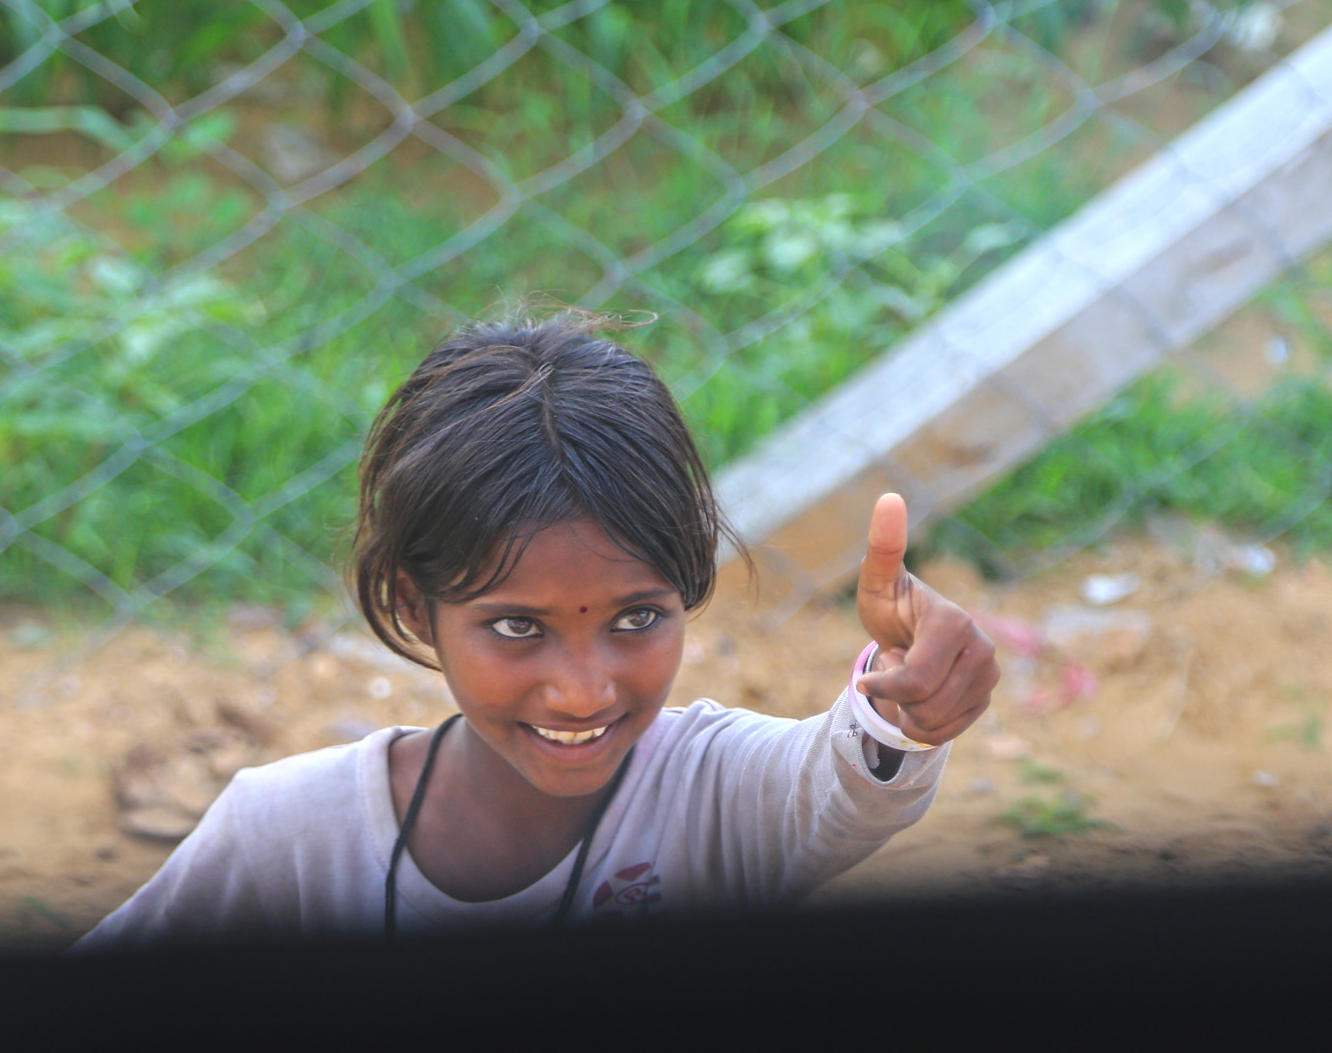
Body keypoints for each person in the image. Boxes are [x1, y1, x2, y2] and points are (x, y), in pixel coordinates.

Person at [74, 313, 997, 948]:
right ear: (410, 605)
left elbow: (839, 785)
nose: (584, 689)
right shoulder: (288, 839)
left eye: (638, 619)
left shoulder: (714, 796)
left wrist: (903, 705)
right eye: (517, 626)